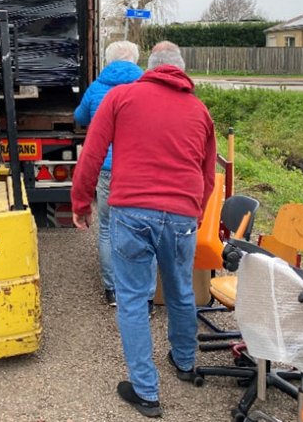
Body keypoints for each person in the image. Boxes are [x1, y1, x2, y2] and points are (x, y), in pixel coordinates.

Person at [72, 41, 216, 418]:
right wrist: (195, 213)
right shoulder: (200, 111)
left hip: (132, 210)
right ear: (181, 69)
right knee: (181, 290)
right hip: (181, 214)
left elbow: (92, 152)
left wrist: (80, 202)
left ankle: (146, 391)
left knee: (134, 298)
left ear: (149, 67)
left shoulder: (121, 98)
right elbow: (206, 175)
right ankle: (185, 364)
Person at [73, 40, 147, 307]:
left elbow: (80, 117)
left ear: (108, 61)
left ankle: (112, 290)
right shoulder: (147, 89)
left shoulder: (97, 87)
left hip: (106, 169)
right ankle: (142, 293)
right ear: (136, 61)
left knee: (106, 227)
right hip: (137, 169)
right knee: (139, 227)